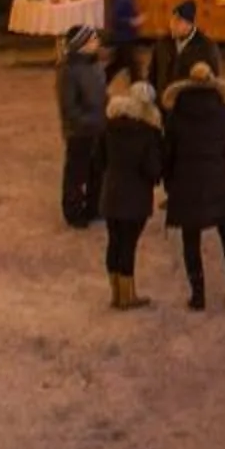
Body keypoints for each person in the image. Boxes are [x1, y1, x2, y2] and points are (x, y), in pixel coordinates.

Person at [158, 60, 225, 310]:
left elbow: (167, 153)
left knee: (191, 241)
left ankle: (198, 295)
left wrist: (169, 184)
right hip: (219, 181)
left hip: (186, 183)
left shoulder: (176, 115)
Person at [98, 77, 164, 311]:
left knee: (114, 241)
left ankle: (116, 292)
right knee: (128, 245)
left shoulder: (110, 128)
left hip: (111, 194)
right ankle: (127, 296)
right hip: (135, 198)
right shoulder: (148, 133)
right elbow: (153, 169)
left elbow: (99, 160)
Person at [56, 26, 105, 229]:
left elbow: (102, 94)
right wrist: (89, 121)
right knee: (77, 173)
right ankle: (73, 211)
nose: (97, 42)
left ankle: (95, 207)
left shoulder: (96, 65)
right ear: (82, 44)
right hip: (80, 131)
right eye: (93, 39)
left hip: (99, 127)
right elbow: (69, 107)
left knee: (98, 170)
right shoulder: (69, 70)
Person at [101, 0, 145, 84]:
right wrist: (132, 21)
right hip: (123, 37)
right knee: (133, 66)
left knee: (118, 63)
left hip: (126, 36)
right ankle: (137, 86)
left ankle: (100, 81)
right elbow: (116, 19)